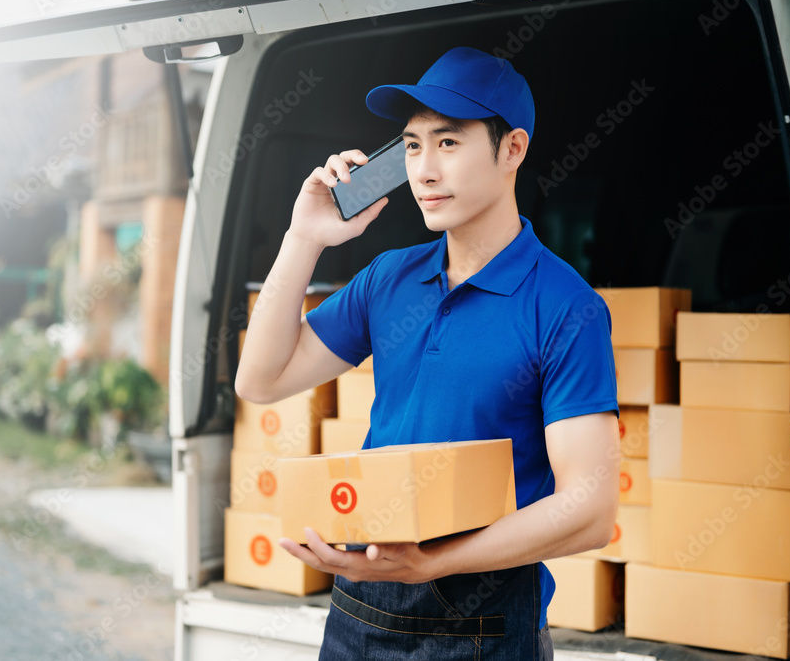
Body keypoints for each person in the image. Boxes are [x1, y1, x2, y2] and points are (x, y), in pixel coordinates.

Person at [234, 47, 620, 660]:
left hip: (483, 625)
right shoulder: (389, 278)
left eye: (447, 143)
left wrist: (429, 562)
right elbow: (260, 379)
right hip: (360, 610)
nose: (423, 171)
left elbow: (590, 510)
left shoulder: (565, 307)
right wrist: (303, 237)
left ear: (512, 149)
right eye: (412, 146)